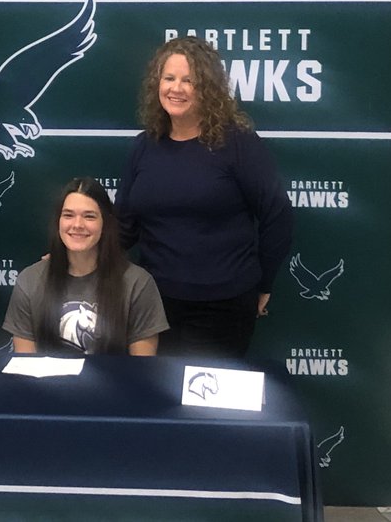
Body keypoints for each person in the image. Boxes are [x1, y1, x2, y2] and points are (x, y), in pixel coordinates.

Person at [116, 36, 293, 360]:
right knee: (156, 403)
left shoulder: (237, 143)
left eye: (189, 81)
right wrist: (68, 259)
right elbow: (123, 227)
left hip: (223, 307)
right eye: (169, 78)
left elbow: (277, 216)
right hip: (153, 305)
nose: (176, 88)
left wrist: (263, 283)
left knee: (205, 407)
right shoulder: (144, 146)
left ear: (208, 88)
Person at [4, 177, 167, 356]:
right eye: (68, 215)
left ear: (105, 224)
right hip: (47, 385)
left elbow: (141, 369)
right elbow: (26, 368)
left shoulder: (138, 284)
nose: (77, 225)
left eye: (89, 216)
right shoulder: (30, 280)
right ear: (58, 222)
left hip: (116, 384)